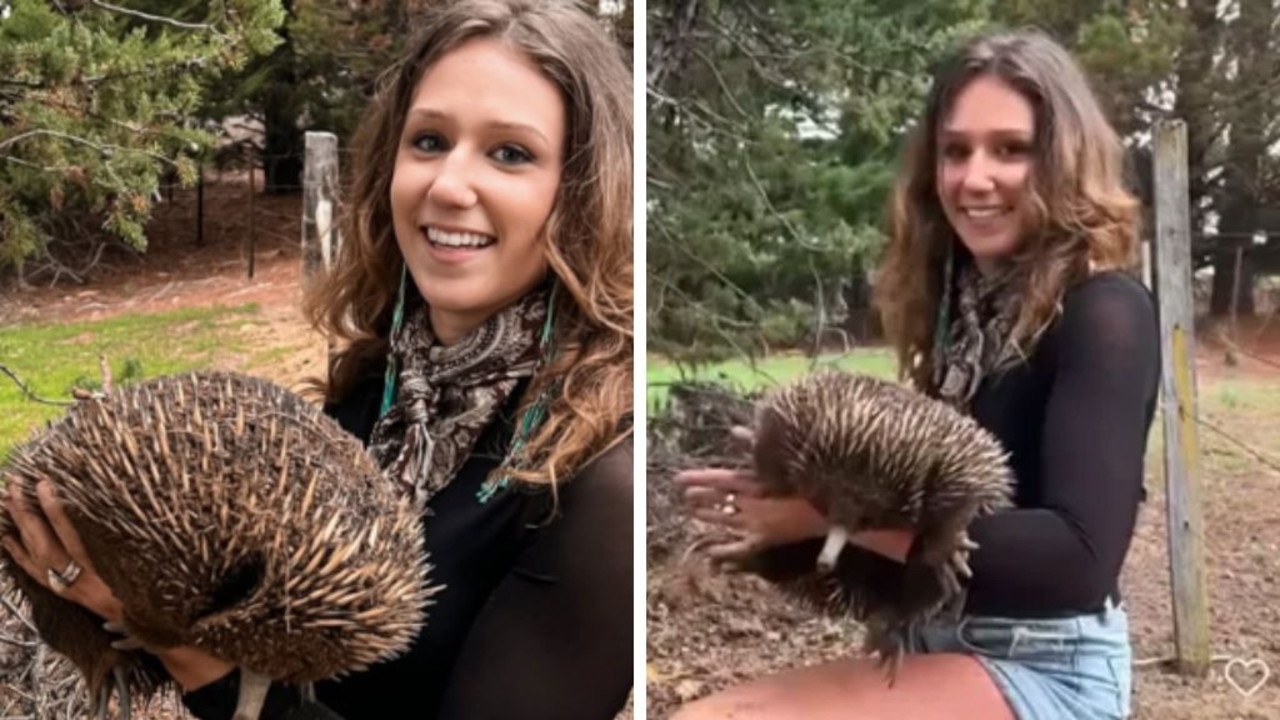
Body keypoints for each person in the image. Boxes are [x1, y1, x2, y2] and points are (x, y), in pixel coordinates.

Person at [1, 1, 634, 718]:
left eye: (510, 153)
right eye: (428, 141)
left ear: (581, 193)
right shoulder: (374, 390)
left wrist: (177, 642)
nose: (449, 186)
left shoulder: (597, 487)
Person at [673, 29, 1160, 720]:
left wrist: (826, 515)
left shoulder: (1103, 310)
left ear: (1064, 159)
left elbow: (1077, 560)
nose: (975, 177)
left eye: (1010, 150)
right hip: (933, 640)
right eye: (955, 150)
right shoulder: (959, 316)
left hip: (1047, 665)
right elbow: (919, 539)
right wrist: (785, 523)